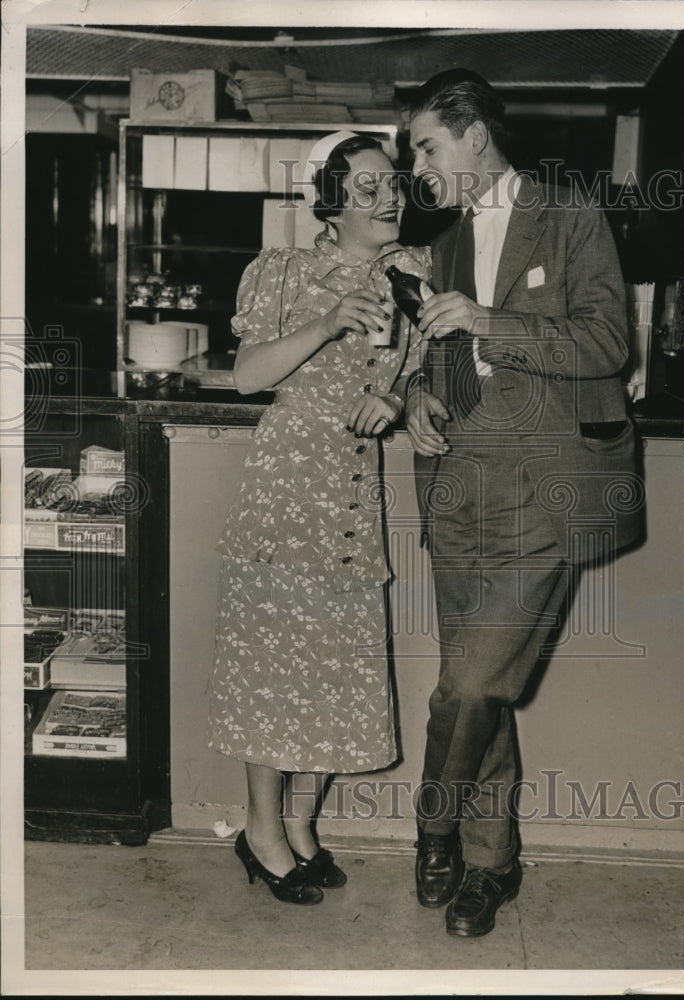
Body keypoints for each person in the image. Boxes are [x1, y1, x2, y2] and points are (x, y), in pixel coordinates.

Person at [404, 70, 644, 937]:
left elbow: (607, 343)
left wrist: (486, 321)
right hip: (459, 484)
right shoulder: (444, 240)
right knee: (481, 694)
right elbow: (442, 358)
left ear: (474, 134)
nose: (419, 169)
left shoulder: (570, 214)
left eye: (427, 147)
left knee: (470, 683)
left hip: (545, 490)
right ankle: (491, 863)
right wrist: (422, 400)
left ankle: (434, 823)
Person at [208, 131, 430, 905]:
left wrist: (394, 397)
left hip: (353, 490)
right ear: (329, 205)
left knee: (335, 667)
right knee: (272, 670)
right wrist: (329, 321)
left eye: (393, 183)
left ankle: (301, 825)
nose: (389, 198)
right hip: (286, 487)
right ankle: (261, 833)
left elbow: (422, 371)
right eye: (367, 188)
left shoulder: (414, 274)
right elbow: (247, 377)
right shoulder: (282, 271)